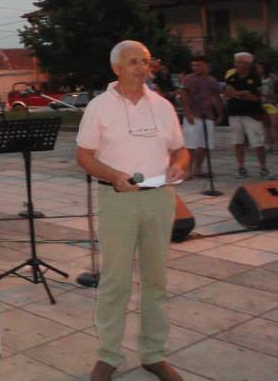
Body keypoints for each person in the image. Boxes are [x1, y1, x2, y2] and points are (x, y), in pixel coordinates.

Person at [76, 40, 188, 381]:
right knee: (116, 280)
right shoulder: (99, 107)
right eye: (133, 61)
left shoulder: (162, 106)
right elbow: (84, 156)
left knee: (156, 279)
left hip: (159, 198)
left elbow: (180, 149)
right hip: (118, 199)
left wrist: (179, 164)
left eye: (146, 61)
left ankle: (154, 354)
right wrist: (114, 176)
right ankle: (108, 356)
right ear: (116, 68)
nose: (142, 67)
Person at [223, 52, 268, 178]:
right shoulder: (231, 77)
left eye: (239, 62)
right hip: (235, 113)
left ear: (247, 64)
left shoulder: (255, 77)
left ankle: (263, 167)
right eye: (235, 62)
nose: (236, 65)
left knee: (258, 142)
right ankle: (241, 167)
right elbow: (227, 93)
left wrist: (236, 94)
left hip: (251, 114)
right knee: (237, 141)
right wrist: (243, 93)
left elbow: (255, 97)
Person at [179, 55, 224, 179]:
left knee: (204, 144)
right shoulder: (188, 79)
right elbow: (183, 95)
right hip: (193, 114)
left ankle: (198, 169)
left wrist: (220, 114)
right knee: (190, 144)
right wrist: (187, 113)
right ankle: (187, 170)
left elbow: (215, 97)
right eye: (193, 65)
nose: (195, 68)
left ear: (206, 65)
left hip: (207, 115)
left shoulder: (212, 80)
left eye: (198, 65)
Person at [257, 61, 278, 155]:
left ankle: (277, 146)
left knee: (275, 125)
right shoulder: (256, 78)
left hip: (271, 103)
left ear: (265, 68)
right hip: (261, 104)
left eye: (260, 67)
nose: (258, 69)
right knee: (265, 126)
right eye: (257, 68)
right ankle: (268, 145)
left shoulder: (272, 77)